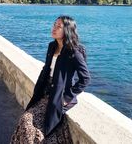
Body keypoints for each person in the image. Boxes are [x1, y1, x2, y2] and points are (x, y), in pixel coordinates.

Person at [11, 15, 91, 143]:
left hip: (58, 96)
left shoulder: (73, 52)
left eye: (58, 26)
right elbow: (47, 68)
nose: (54, 28)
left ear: (67, 30)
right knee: (26, 120)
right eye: (54, 25)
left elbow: (85, 79)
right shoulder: (52, 46)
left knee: (28, 121)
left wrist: (67, 97)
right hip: (44, 91)